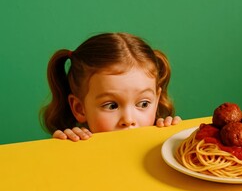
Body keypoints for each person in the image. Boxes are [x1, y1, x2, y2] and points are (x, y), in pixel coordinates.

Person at [40, 32, 181, 142]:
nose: (128, 120)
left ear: (156, 101)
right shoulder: (73, 145)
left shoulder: (164, 142)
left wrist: (173, 140)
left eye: (144, 104)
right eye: (111, 106)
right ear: (79, 108)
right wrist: (62, 150)